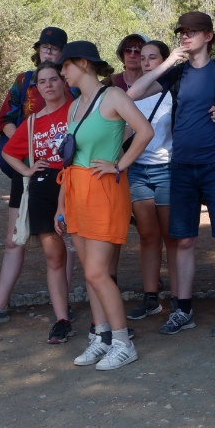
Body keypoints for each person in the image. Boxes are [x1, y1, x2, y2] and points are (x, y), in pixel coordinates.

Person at [126, 12, 215, 339]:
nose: (186, 37)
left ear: (209, 36)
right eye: (182, 32)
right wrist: (167, 61)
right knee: (182, 239)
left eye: (193, 32)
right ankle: (182, 309)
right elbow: (133, 93)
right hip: (180, 166)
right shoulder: (177, 72)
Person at [56, 41, 153, 371]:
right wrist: (61, 206)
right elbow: (69, 159)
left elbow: (145, 131)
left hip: (103, 191)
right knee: (90, 273)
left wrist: (120, 164)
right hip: (75, 191)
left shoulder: (112, 96)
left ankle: (124, 343)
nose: (61, 73)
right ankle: (102, 336)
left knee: (98, 272)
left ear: (83, 63)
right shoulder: (74, 105)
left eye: (65, 66)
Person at [0, 64, 74, 341]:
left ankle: (101, 319)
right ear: (37, 88)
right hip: (44, 187)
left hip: (76, 182)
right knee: (54, 255)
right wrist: (28, 170)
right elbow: (9, 153)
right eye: (43, 82)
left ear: (63, 82)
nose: (49, 85)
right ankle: (62, 318)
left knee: (90, 251)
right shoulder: (32, 122)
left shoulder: (77, 110)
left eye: (54, 79)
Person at [0, 26, 67, 219]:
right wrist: (28, 144)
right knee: (19, 228)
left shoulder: (72, 84)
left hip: (62, 164)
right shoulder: (24, 80)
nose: (48, 51)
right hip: (26, 161)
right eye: (45, 46)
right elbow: (5, 119)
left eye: (54, 48)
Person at [126, 39, 176, 321]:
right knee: (147, 236)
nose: (145, 62)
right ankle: (151, 296)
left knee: (171, 236)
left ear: (165, 60)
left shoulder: (172, 92)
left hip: (167, 169)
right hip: (138, 171)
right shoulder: (132, 94)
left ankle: (180, 300)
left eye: (152, 57)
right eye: (143, 58)